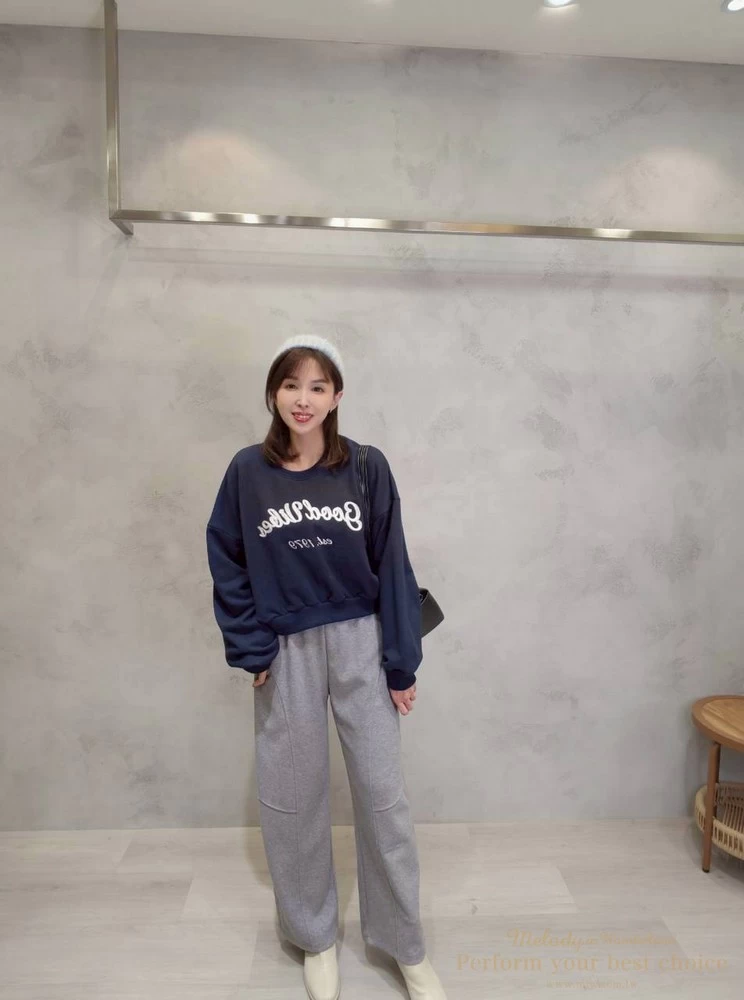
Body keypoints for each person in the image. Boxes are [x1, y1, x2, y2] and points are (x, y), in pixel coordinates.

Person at [206, 335, 447, 1000]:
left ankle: (404, 945)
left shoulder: (365, 467)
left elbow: (393, 565)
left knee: (383, 797)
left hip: (360, 642)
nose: (303, 399)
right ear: (273, 393)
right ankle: (315, 937)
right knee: (293, 800)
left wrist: (401, 664)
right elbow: (227, 558)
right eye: (291, 385)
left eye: (317, 386)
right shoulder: (247, 472)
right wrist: (250, 647)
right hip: (285, 649)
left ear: (337, 395)